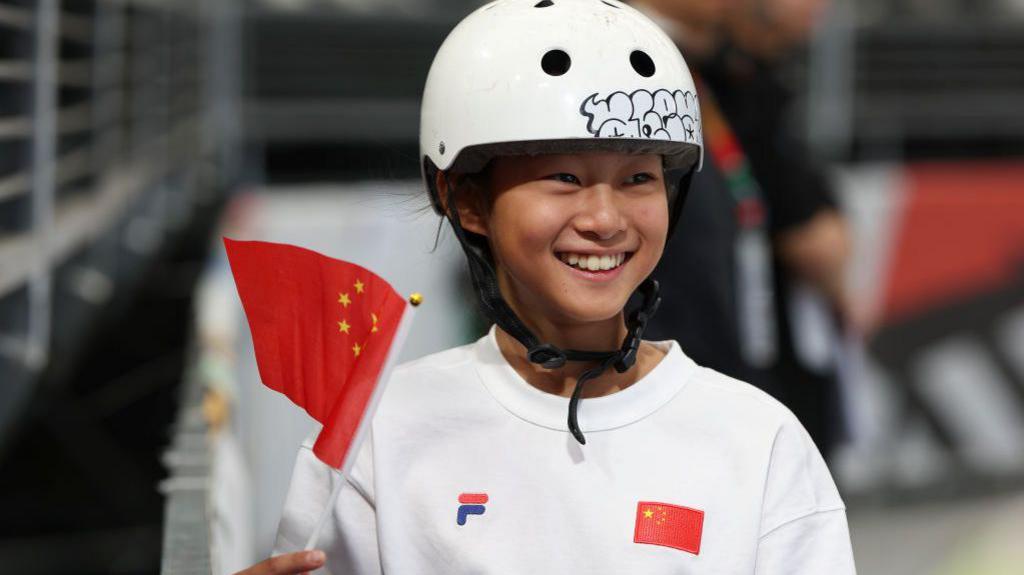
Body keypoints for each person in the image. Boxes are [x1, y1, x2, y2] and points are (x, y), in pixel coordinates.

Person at [238, 1, 855, 573]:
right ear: (466, 200)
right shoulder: (379, 431)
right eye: (563, 176)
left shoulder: (759, 440)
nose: (606, 219)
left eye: (639, 177)